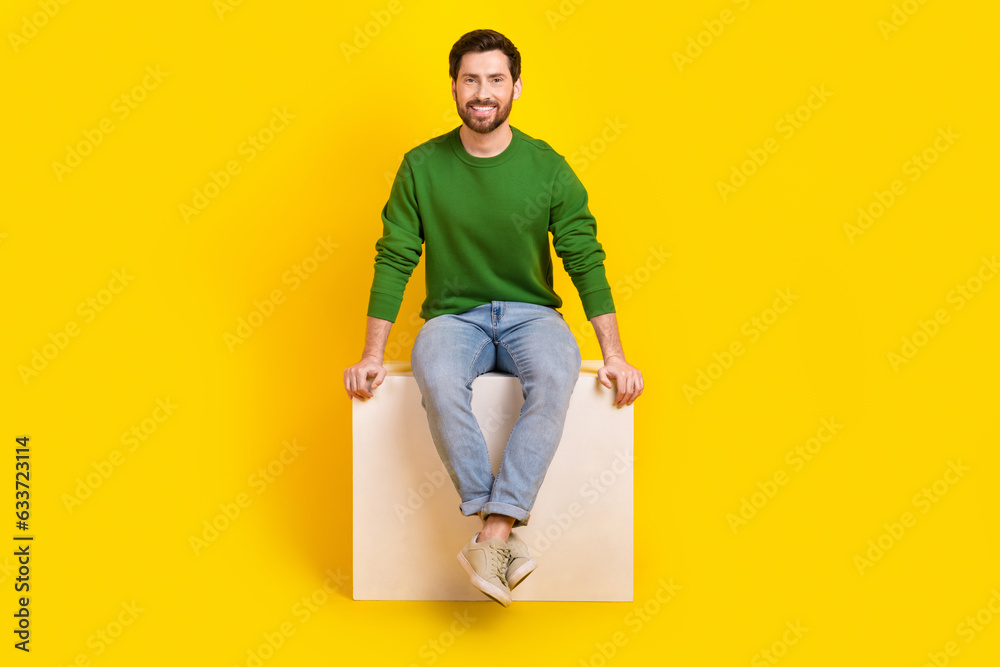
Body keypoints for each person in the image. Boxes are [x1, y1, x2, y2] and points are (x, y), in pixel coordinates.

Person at [343, 29, 643, 607]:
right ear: (454, 86)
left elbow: (584, 256)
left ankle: (493, 533)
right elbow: (395, 255)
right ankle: (498, 524)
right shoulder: (421, 166)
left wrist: (615, 356)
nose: (483, 92)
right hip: (456, 317)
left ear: (517, 87)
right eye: (471, 79)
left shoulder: (547, 167)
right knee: (435, 373)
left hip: (533, 315)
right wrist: (372, 356)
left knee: (556, 376)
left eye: (495, 80)